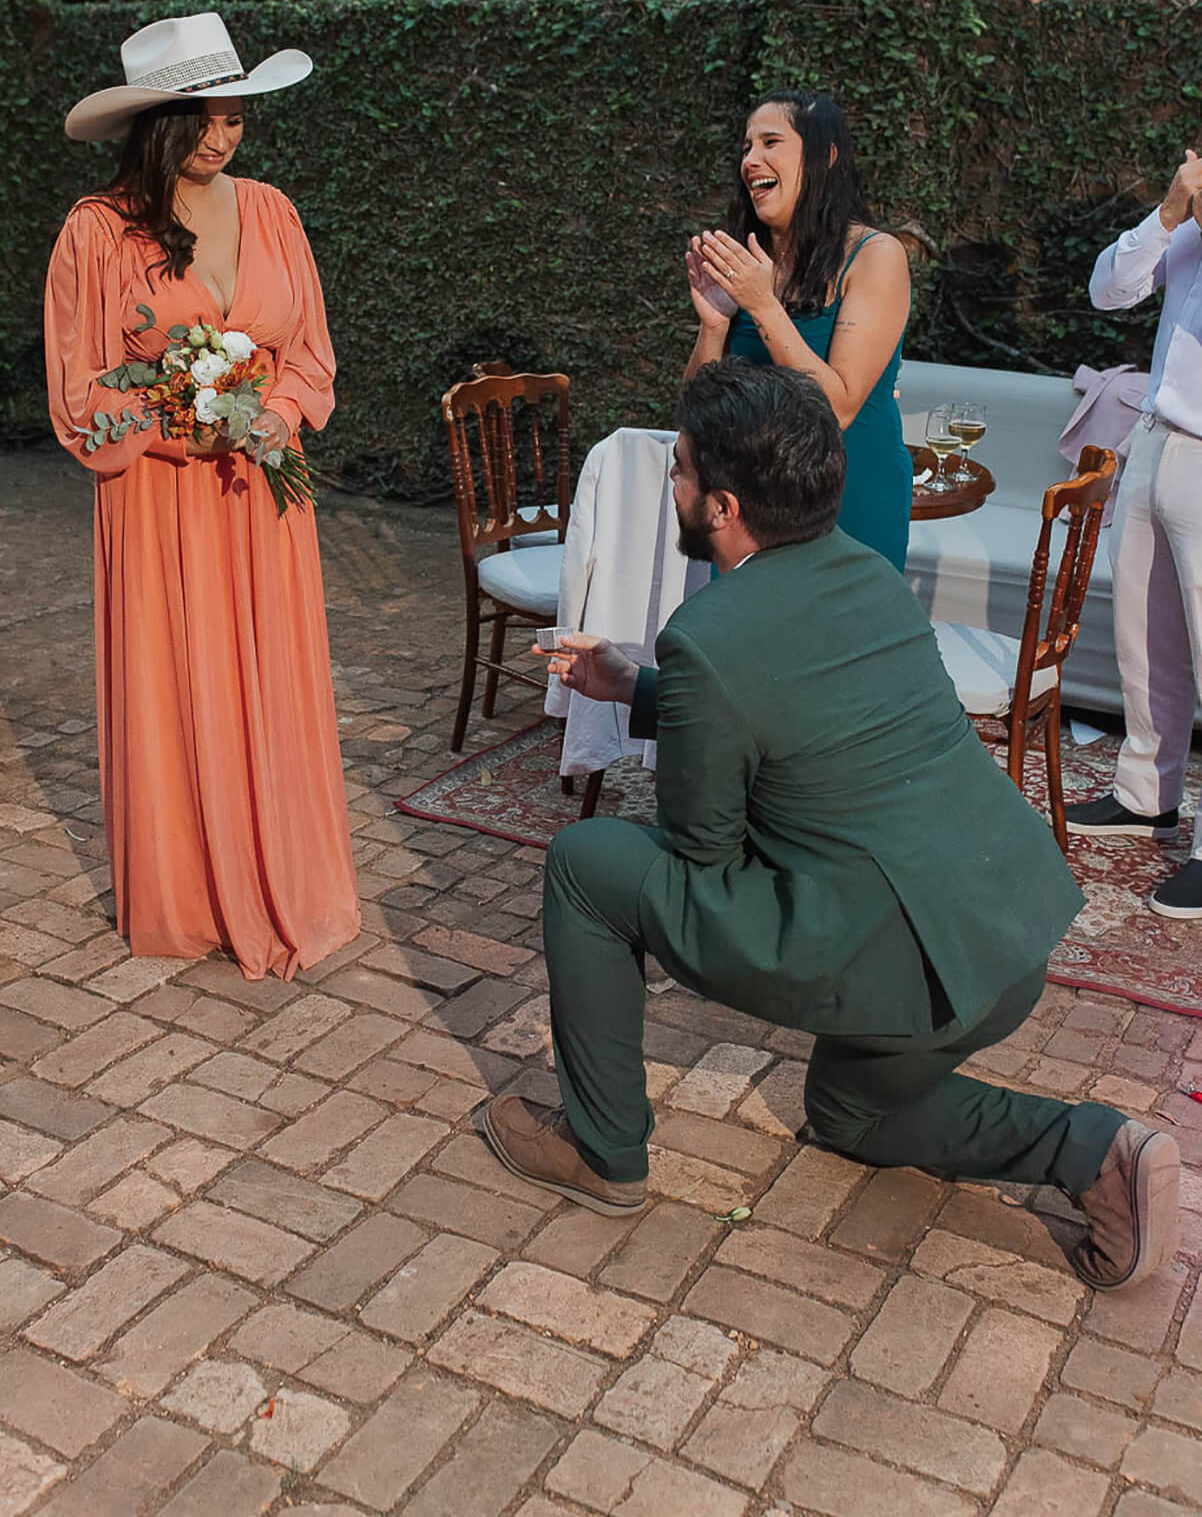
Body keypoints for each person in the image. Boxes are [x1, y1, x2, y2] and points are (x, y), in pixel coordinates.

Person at [482, 360, 1180, 1291]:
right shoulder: (868, 573)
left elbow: (703, 855)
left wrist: (681, 704)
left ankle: (603, 1150)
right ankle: (1097, 1152)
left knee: (586, 863)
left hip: (901, 957)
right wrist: (638, 688)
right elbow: (806, 706)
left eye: (680, 468)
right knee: (850, 1113)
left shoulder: (707, 635)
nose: (672, 482)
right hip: (1004, 941)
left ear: (724, 506)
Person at [45, 11, 360, 979]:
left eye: (235, 117)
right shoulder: (96, 232)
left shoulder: (273, 211)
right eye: (205, 120)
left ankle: (275, 877)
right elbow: (78, 395)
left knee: (269, 680)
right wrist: (184, 420)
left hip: (264, 493)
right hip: (158, 499)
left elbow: (310, 353)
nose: (224, 138)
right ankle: (187, 892)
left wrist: (277, 417)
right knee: (175, 680)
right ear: (157, 126)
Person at [684, 88, 914, 570]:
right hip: (752, 510)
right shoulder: (751, 264)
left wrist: (762, 305)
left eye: (770, 142)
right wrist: (714, 325)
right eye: (747, 147)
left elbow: (838, 408)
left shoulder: (875, 256)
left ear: (825, 157)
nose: (750, 160)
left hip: (851, 503)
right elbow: (696, 413)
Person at [1065, 147, 1202, 920]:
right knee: (1144, 640)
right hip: (1154, 438)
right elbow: (1108, 290)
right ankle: (1147, 795)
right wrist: (1169, 213)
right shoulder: (1187, 222)